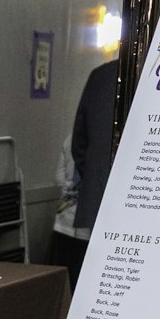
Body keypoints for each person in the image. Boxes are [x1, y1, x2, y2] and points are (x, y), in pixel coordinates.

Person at [53, 58, 119, 286]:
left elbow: (79, 146)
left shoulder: (102, 75)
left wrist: (95, 178)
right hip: (152, 198)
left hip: (99, 195)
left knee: (97, 277)